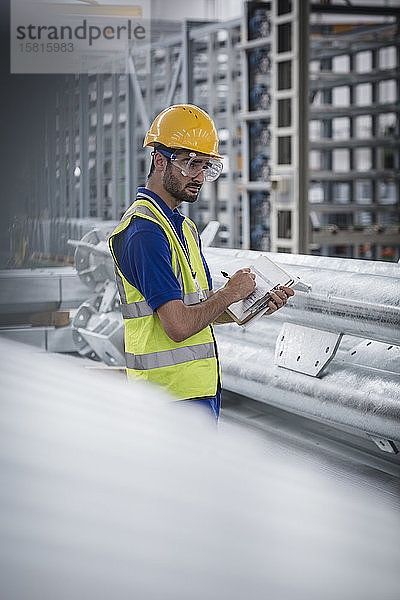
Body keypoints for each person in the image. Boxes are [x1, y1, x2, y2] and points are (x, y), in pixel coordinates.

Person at [109, 104, 294, 419]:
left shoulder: (181, 227)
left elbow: (198, 313)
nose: (199, 176)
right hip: (167, 402)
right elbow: (179, 326)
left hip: (193, 395)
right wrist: (228, 293)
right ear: (159, 160)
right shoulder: (145, 232)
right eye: (191, 163)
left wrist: (252, 303)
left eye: (207, 166)